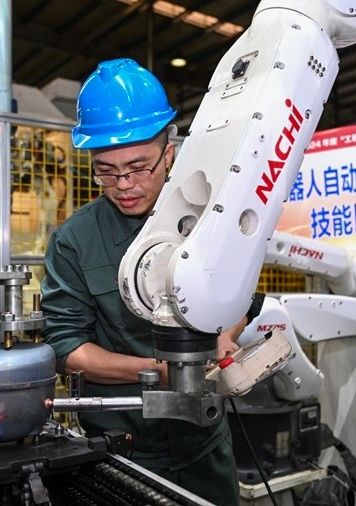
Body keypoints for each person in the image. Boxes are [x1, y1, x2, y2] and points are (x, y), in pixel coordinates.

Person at [40, 58, 263, 506]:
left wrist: (225, 336)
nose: (123, 184)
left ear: (169, 152)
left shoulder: (210, 218)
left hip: (204, 446)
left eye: (139, 167)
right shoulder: (75, 240)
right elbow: (67, 348)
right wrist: (158, 371)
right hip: (122, 450)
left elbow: (244, 296)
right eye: (106, 170)